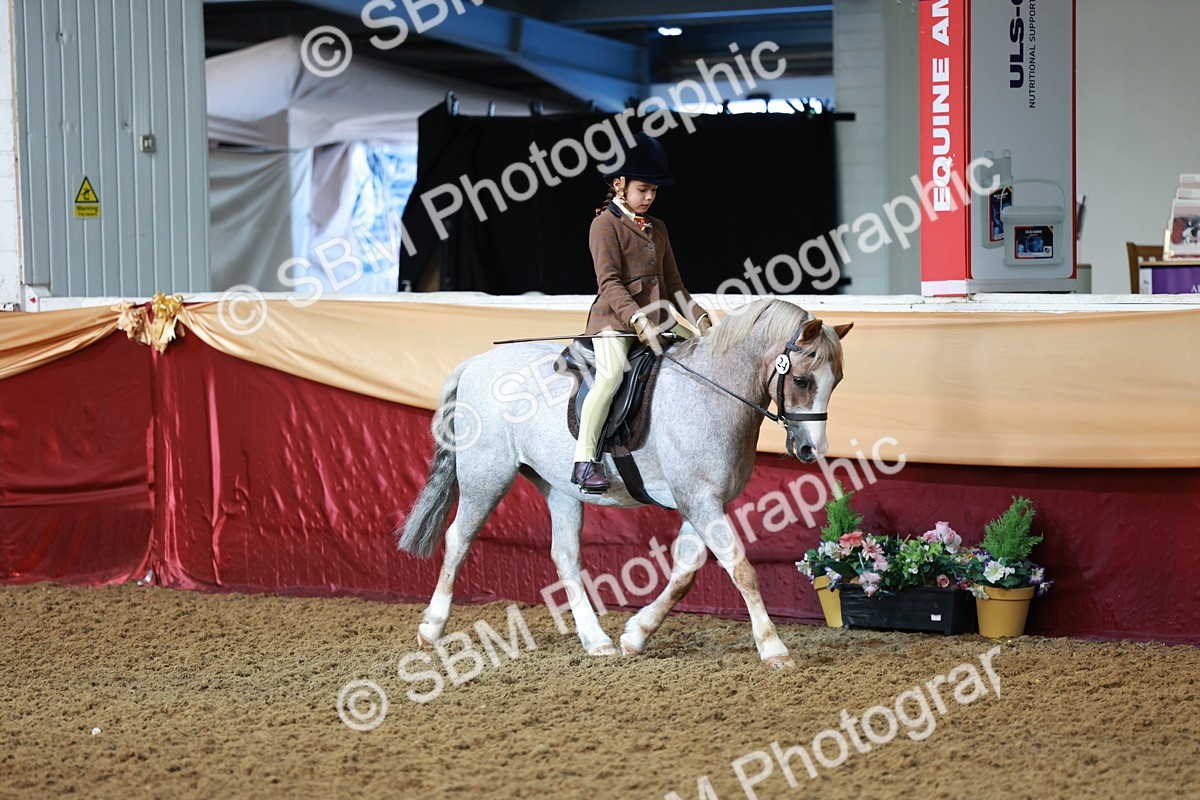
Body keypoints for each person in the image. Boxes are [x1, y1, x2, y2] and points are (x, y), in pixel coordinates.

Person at [571, 132, 712, 494]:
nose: (649, 197)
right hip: (614, 323)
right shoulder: (603, 225)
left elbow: (675, 285)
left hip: (661, 320)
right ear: (619, 184)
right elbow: (609, 283)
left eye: (654, 191)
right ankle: (585, 460)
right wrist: (638, 319)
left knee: (702, 356)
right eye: (643, 189)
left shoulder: (658, 228)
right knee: (610, 375)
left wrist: (699, 319)